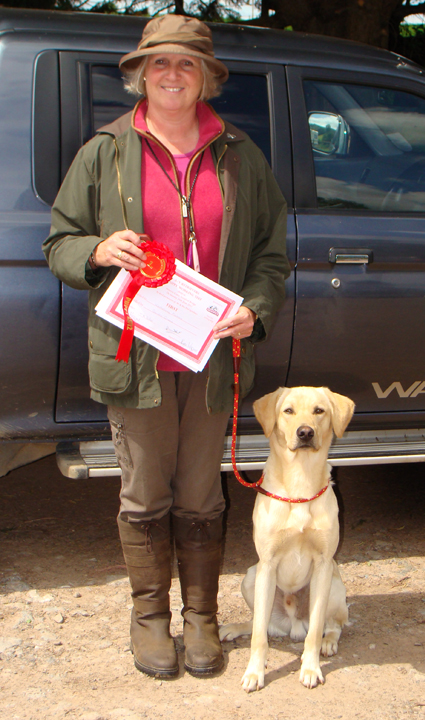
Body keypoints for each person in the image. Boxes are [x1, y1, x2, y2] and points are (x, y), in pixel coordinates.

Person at [43, 14, 290, 679]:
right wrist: (95, 249)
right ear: (140, 74)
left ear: (206, 76)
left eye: (186, 63)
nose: (172, 74)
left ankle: (202, 617)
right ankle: (150, 617)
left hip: (211, 357)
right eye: (159, 63)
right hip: (135, 358)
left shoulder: (239, 153)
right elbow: (59, 242)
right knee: (144, 492)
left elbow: (271, 256)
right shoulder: (104, 150)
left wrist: (253, 309)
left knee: (200, 497)